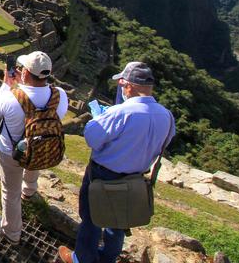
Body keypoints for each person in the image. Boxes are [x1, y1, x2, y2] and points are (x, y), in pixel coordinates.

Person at [57, 63, 175, 263]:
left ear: (129, 86)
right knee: (119, 222)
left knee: (92, 218)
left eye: (122, 83)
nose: (120, 87)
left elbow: (92, 138)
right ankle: (107, 258)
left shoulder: (121, 113)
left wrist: (100, 119)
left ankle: (82, 259)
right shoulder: (167, 116)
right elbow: (165, 141)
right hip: (135, 178)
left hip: (104, 175)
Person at [0, 51, 68, 244]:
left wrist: (6, 85)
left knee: (9, 191)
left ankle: (12, 231)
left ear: (25, 74)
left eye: (22, 68)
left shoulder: (11, 97)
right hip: (41, 147)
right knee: (35, 152)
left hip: (11, 152)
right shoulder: (59, 95)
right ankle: (29, 190)